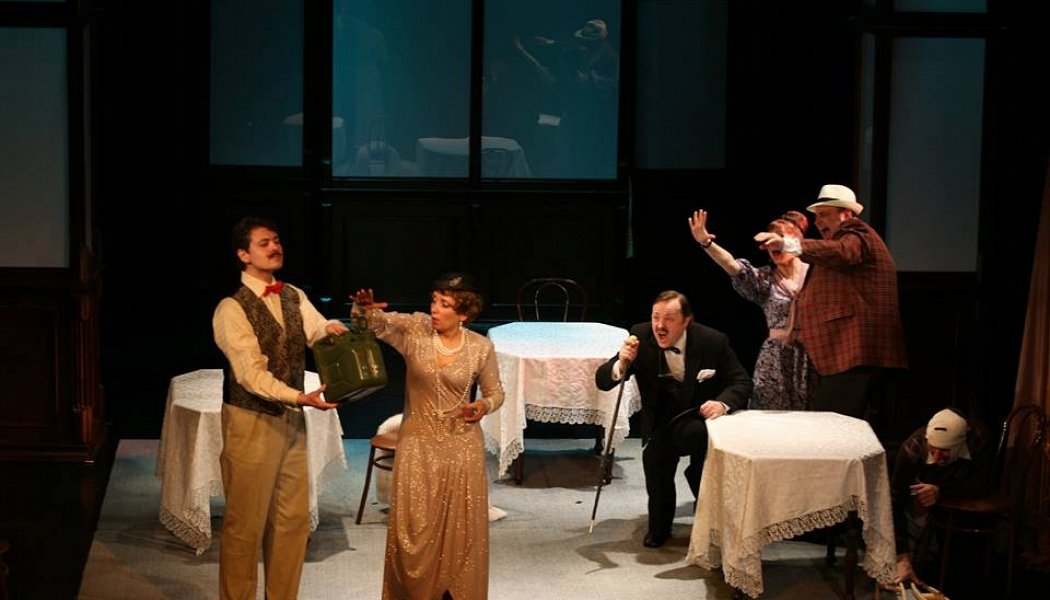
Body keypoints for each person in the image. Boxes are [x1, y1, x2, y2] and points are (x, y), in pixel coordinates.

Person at [212, 216, 349, 600]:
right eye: (264, 243)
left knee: (292, 521)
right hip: (251, 421)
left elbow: (317, 330)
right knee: (245, 526)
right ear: (243, 255)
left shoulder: (292, 294)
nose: (275, 247)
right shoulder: (231, 308)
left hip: (291, 420)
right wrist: (298, 397)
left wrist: (339, 327)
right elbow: (249, 374)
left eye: (276, 240)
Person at [350, 273, 504, 600]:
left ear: (463, 314)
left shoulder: (480, 347)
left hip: (462, 449)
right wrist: (364, 310)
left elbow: (496, 393)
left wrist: (482, 406)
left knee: (460, 532)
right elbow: (374, 324)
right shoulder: (416, 330)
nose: (434, 309)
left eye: (444, 304)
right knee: (414, 530)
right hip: (418, 446)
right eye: (434, 301)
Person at [595, 290, 752, 548]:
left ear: (686, 320)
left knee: (697, 443)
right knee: (655, 459)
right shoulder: (640, 336)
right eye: (655, 317)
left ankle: (707, 508)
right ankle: (660, 527)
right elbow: (602, 381)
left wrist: (722, 403)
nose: (659, 325)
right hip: (661, 422)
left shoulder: (712, 341)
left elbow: (741, 381)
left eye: (668, 319)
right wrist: (622, 363)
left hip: (699, 419)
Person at [754, 184, 907, 420]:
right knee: (834, 422)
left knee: (833, 423)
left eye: (824, 214)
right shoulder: (843, 239)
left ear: (846, 214)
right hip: (844, 354)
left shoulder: (857, 232)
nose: (818, 222)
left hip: (855, 350)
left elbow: (843, 251)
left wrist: (788, 244)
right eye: (816, 217)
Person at [690, 208, 817, 410]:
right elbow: (733, 267)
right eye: (768, 242)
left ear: (795, 242)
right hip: (776, 361)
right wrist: (706, 243)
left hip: (814, 357)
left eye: (778, 239)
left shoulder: (817, 274)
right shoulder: (766, 280)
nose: (772, 246)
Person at [888, 408, 994, 586]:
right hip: (923, 483)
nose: (937, 457)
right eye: (933, 450)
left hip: (962, 486)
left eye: (945, 451)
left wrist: (941, 491)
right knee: (913, 499)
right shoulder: (912, 447)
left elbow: (983, 483)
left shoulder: (978, 438)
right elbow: (895, 499)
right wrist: (902, 558)